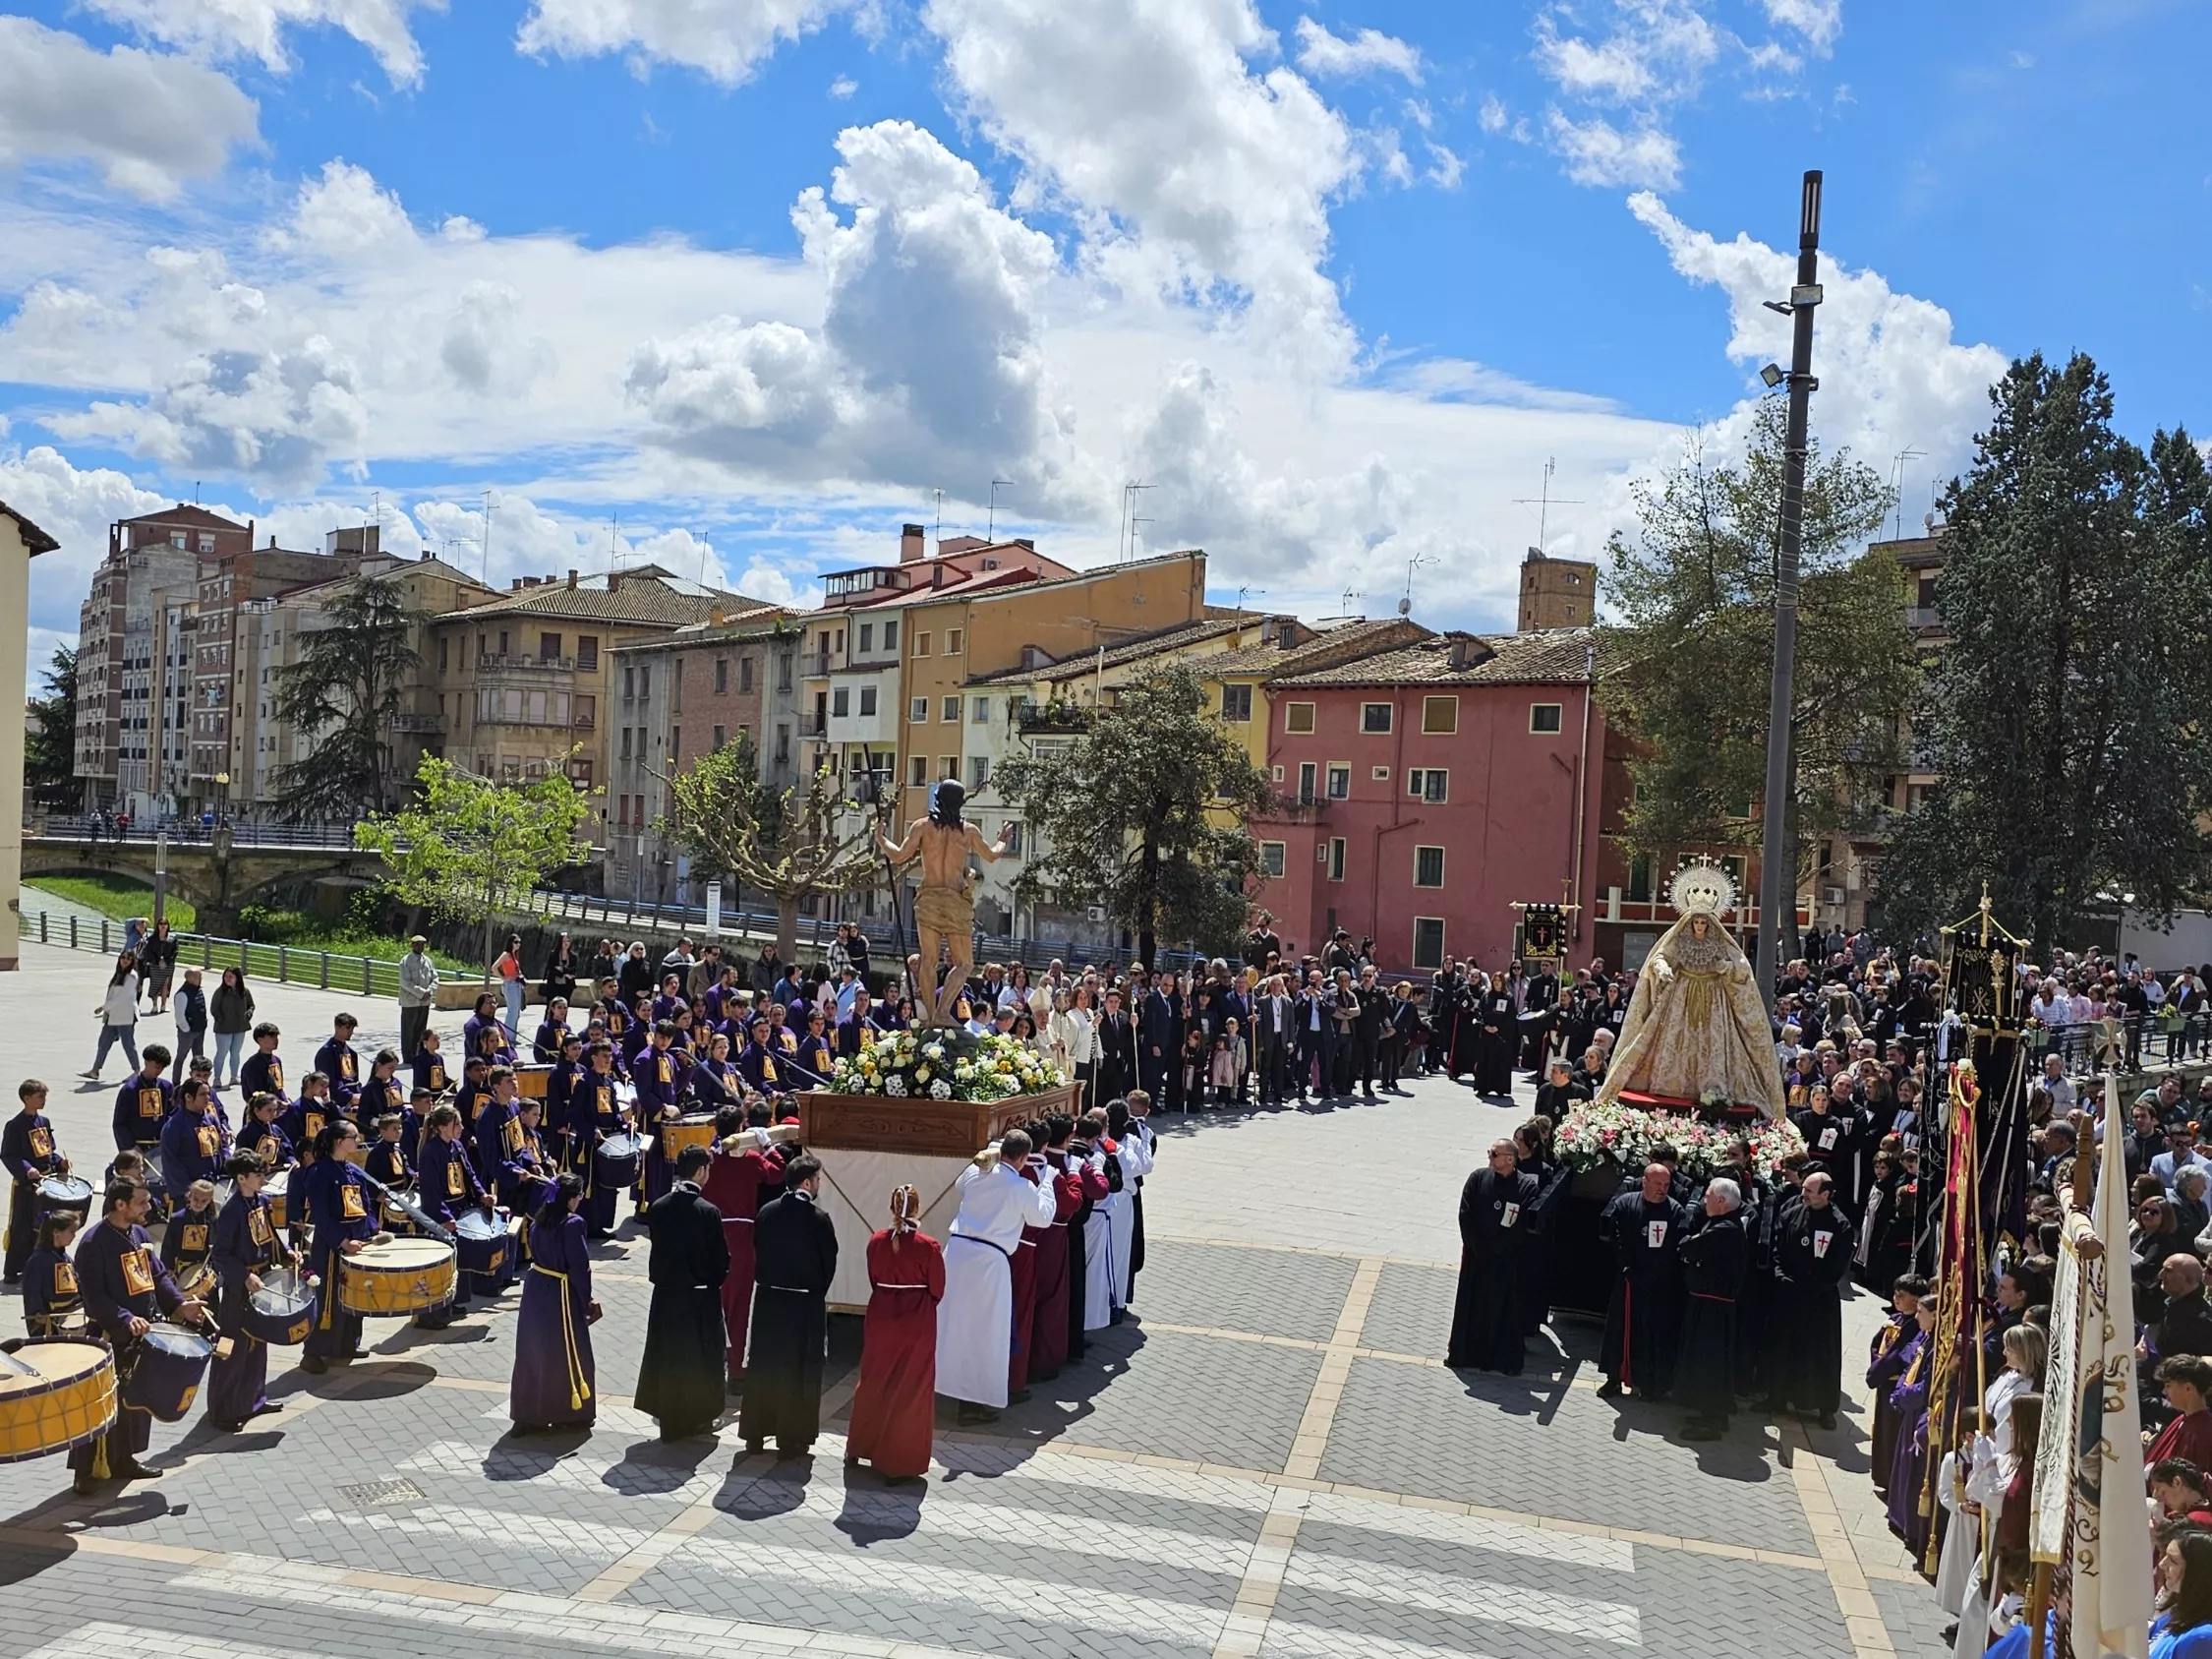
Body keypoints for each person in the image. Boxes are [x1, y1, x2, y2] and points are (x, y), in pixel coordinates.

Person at [69, 1176, 209, 1493]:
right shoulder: (93, 1243)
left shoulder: (139, 1233)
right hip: (111, 1334)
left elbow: (157, 1276)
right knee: (100, 1403)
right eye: (142, 1202)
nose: (150, 1206)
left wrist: (180, 1305)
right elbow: (93, 1295)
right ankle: (87, 1470)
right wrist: (124, 1317)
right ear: (121, 1205)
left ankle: (124, 1459)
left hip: (144, 1333)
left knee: (135, 1401)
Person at [936, 1131, 1057, 1422]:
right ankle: (973, 1403)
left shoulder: (980, 1172)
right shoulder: (1022, 1185)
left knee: (953, 1324)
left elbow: (960, 1185)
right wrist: (1048, 1183)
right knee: (986, 1333)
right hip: (989, 1263)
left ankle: (943, 1386)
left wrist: (990, 1154)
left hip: (957, 1253)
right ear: (1024, 1158)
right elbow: (1042, 1218)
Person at [846, 1184, 946, 1482]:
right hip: (915, 1322)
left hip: (880, 1319)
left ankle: (859, 1447)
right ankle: (896, 1461)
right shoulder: (928, 1246)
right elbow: (937, 1289)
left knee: (874, 1380)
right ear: (917, 1209)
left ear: (891, 1208)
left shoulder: (876, 1241)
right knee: (909, 1389)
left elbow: (873, 1278)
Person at [742, 1152, 838, 1457]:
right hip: (803, 1305)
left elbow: (757, 1247)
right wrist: (814, 1292)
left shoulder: (767, 1212)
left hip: (769, 1301)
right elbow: (828, 1264)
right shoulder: (819, 1220)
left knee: (764, 1364)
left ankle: (755, 1435)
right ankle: (790, 1438)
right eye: (819, 1180)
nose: (819, 1184)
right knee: (799, 1370)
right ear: (807, 1182)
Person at [637, 1144, 731, 1441]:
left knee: (667, 1357)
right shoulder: (708, 1212)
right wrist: (713, 1281)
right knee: (699, 1359)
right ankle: (698, 1418)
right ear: (701, 1171)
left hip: (666, 1295)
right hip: (699, 1298)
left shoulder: (660, 1206)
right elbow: (720, 1259)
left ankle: (668, 1417)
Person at [702, 1106, 790, 1388]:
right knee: (739, 1308)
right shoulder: (751, 1159)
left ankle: (709, 1366)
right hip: (740, 1240)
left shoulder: (709, 1159)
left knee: (711, 1305)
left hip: (712, 1238)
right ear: (741, 1129)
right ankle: (737, 1372)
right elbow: (779, 1174)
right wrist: (767, 1146)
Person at [207, 1150, 290, 1432]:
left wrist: (289, 1254)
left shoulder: (261, 1201)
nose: (263, 1178)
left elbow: (272, 1236)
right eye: (257, 1175)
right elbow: (220, 1255)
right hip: (239, 1290)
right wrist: (243, 1276)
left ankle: (253, 1399)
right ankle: (222, 1409)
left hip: (262, 1280)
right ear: (241, 1179)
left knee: (258, 1343)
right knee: (230, 1347)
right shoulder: (231, 1212)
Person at [511, 1172, 600, 1434]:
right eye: (579, 1196)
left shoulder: (539, 1220)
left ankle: (527, 1414)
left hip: (536, 1288)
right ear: (572, 1199)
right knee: (568, 1352)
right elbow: (579, 1267)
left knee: (533, 1352)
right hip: (561, 1292)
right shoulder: (572, 1224)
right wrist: (586, 1301)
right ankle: (570, 1413)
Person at [1768, 1171, 1856, 1429]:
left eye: (1809, 1190)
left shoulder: (1839, 1225)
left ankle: (1825, 1409)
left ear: (1825, 1195)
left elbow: (1837, 1267)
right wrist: (1780, 1274)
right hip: (1789, 1294)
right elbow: (1778, 1247)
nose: (1803, 1194)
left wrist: (1810, 1286)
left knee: (1821, 1355)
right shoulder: (1793, 1213)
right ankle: (1779, 1397)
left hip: (1818, 1300)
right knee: (1784, 1348)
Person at [1444, 1140, 1540, 1374]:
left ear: (1510, 1159)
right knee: (1471, 1306)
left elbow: (1520, 1227)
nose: (1490, 1156)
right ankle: (1464, 1354)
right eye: (1490, 1152)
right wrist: (1477, 1246)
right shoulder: (1478, 1178)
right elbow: (1465, 1213)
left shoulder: (1526, 1187)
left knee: (1500, 1309)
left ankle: (1495, 1359)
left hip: (1504, 1261)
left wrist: (1496, 1249)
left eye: (1495, 1154)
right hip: (1476, 1258)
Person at [1597, 1163, 1691, 1399]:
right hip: (1629, 1279)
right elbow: (1616, 1237)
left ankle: (1650, 1384)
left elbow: (1674, 1247)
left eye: (1666, 1185)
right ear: (1644, 1182)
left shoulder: (1675, 1211)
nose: (1662, 1189)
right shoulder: (1625, 1204)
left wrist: (1655, 1272)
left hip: (1659, 1284)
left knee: (1654, 1333)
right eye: (1658, 1184)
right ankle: (1614, 1379)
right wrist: (1628, 1267)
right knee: (1620, 1330)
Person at [1676, 1178, 1751, 1441]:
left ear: (1721, 1201)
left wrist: (1688, 1244)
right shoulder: (1722, 1224)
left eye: (1707, 1196)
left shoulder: (1725, 1229)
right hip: (1708, 1302)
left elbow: (1688, 1247)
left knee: (1711, 1364)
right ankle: (1708, 1412)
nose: (1703, 1200)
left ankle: (1714, 1420)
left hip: (1714, 1308)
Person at [300, 1121, 377, 1374]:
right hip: (332, 1247)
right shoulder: (319, 1172)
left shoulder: (353, 1170)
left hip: (356, 1242)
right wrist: (343, 1241)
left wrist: (372, 1231)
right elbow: (321, 1216)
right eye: (353, 1137)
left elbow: (364, 1204)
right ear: (338, 1141)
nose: (358, 1141)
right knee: (327, 1300)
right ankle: (312, 1352)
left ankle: (347, 1343)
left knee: (355, 1295)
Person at [3, 1078, 67, 1283]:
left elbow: (49, 1151)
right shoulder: (14, 1125)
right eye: (40, 1096)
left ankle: (42, 1265)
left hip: (47, 1181)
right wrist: (27, 1168)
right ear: (26, 1098)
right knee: (22, 1226)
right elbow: (8, 1154)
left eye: (44, 1096)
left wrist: (60, 1163)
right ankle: (13, 1270)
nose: (43, 1100)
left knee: (46, 1225)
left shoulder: (44, 1122)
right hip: (27, 1185)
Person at [82, 951, 143, 1082]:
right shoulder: (119, 974)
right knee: (103, 1042)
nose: (125, 960)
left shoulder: (132, 976)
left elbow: (122, 997)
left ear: (133, 961)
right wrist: (107, 1010)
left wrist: (104, 1007)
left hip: (126, 1016)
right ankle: (95, 1070)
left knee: (128, 1044)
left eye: (128, 958)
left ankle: (137, 1071)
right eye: (123, 958)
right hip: (113, 1016)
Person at [23, 1209, 84, 1337]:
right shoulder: (37, 1261)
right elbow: (32, 1294)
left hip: (71, 1312)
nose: (74, 1236)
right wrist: (39, 1316)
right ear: (56, 1232)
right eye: (71, 1231)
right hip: (52, 1321)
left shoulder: (64, 1256)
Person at [2148, 1355, 2212, 1469]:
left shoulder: (2204, 1433)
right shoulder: (2180, 1420)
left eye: (2168, 1385)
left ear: (2188, 1388)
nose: (2164, 1392)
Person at [210, 968, 255, 1088]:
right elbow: (214, 1008)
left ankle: (234, 1076)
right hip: (223, 1029)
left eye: (231, 977)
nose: (228, 979)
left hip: (240, 1028)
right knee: (221, 1053)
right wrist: (220, 1019)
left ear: (237, 978)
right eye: (226, 976)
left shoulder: (244, 991)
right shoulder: (220, 992)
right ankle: (217, 1078)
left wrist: (249, 1014)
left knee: (235, 1053)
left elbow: (251, 1005)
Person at [398, 935, 439, 1062]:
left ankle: (418, 1054)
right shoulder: (405, 961)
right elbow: (405, 982)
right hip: (410, 1003)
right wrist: (421, 993)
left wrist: (430, 991)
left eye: (422, 944)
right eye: (417, 944)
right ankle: (408, 1057)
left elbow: (435, 978)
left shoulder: (428, 961)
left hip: (424, 1002)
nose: (420, 947)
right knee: (408, 1031)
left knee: (421, 1031)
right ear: (412, 945)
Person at [171, 965, 208, 1080]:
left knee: (199, 1059)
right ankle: (176, 1082)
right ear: (191, 979)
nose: (201, 978)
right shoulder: (182, 994)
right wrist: (187, 1030)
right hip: (188, 1032)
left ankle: (198, 1080)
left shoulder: (198, 990)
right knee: (181, 1057)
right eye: (199, 976)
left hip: (200, 1030)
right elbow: (179, 1016)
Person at [495, 933, 528, 1038]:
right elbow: (494, 967)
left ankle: (512, 1036)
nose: (518, 945)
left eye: (519, 942)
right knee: (512, 1011)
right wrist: (504, 978)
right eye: (516, 942)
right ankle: (508, 1036)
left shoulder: (514, 955)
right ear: (511, 943)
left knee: (516, 1011)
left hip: (516, 984)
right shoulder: (506, 955)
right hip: (510, 985)